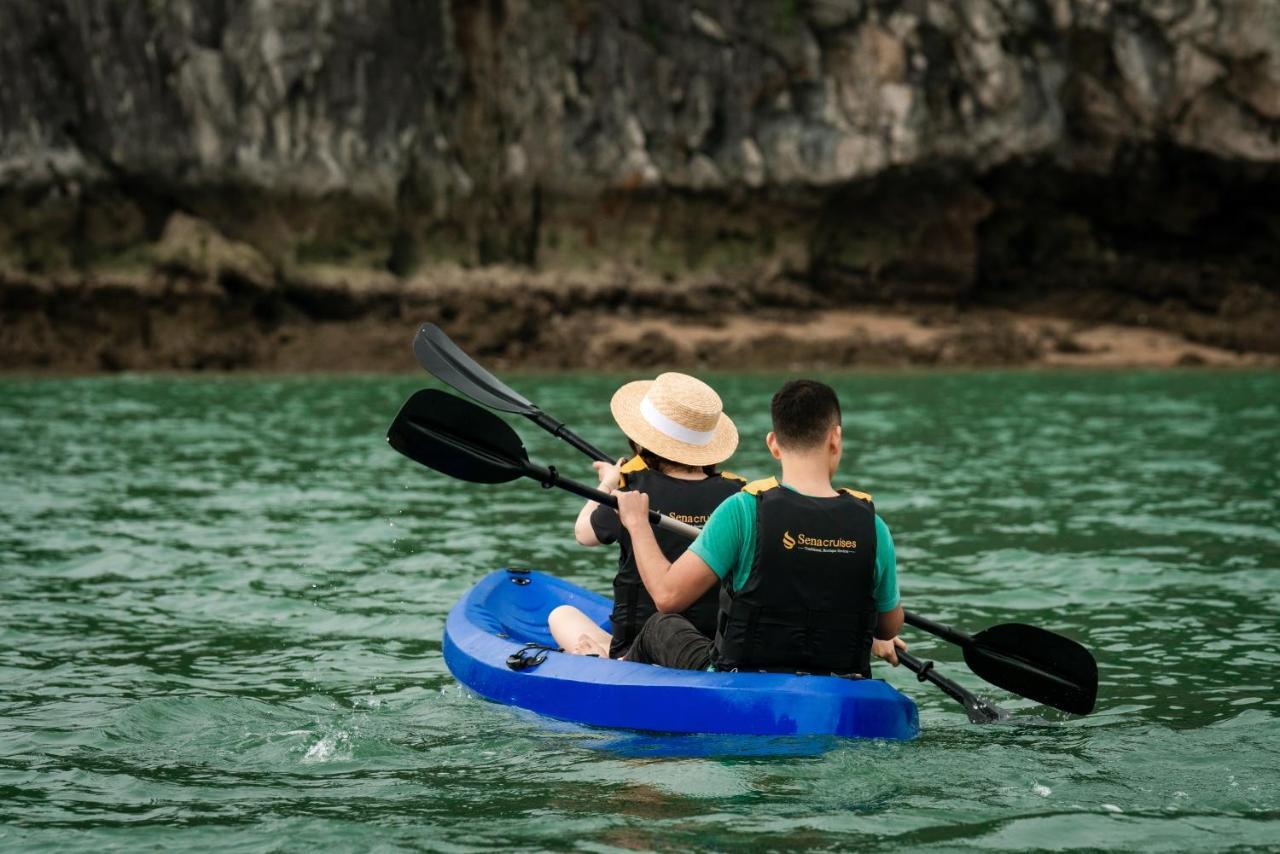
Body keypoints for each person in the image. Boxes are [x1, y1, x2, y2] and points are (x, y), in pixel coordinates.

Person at [613, 378, 906, 674]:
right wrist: (873, 636)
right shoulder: (873, 526)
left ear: (773, 444)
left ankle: (617, 672)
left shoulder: (741, 510)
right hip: (840, 682)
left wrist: (637, 523)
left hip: (740, 683)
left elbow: (667, 597)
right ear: (836, 438)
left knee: (660, 625)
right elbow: (888, 625)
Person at [548, 372, 745, 659]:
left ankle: (604, 656)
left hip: (638, 646)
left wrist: (609, 484)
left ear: (641, 441)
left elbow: (584, 534)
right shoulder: (739, 494)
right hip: (712, 647)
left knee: (561, 614)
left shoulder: (631, 489)